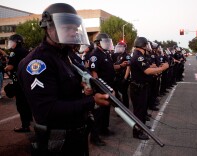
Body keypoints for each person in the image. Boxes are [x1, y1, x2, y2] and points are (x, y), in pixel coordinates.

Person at [17, 3, 110, 156]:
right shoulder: (38, 62)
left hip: (76, 137)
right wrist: (92, 101)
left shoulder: (66, 55)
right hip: (57, 143)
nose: (74, 33)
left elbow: (67, 89)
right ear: (49, 28)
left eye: (75, 28)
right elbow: (47, 110)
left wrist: (85, 88)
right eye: (67, 28)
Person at [130, 37, 169, 140]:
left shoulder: (141, 56)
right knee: (139, 111)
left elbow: (148, 68)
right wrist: (162, 68)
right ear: (143, 45)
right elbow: (147, 71)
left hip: (142, 87)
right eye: (147, 44)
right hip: (138, 88)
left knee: (142, 110)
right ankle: (137, 132)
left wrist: (157, 67)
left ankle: (141, 126)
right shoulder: (139, 56)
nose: (148, 46)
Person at [4, 34, 33, 132]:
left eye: (12, 42)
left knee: (21, 104)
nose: (11, 44)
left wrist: (5, 68)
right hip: (27, 80)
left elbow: (11, 66)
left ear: (17, 42)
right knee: (27, 102)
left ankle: (25, 126)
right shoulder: (26, 51)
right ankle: (30, 121)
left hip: (18, 81)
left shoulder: (14, 52)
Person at [111, 41, 131, 108]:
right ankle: (121, 107)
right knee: (117, 93)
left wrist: (125, 78)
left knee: (124, 94)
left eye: (120, 47)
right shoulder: (118, 56)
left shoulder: (127, 56)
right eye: (118, 47)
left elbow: (128, 67)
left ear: (124, 48)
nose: (119, 48)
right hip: (118, 77)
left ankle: (126, 108)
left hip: (123, 77)